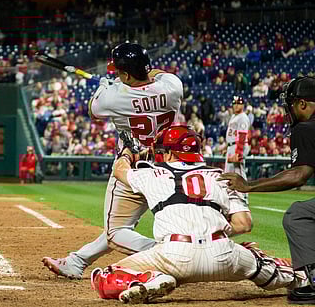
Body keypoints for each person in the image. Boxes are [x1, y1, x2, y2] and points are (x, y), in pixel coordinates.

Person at [91, 125, 309, 303]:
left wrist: (128, 152)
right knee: (261, 264)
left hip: (174, 255)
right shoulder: (223, 177)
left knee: (105, 277)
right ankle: (300, 279)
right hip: (223, 254)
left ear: (169, 152)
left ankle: (152, 277)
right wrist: (208, 233)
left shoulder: (150, 174)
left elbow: (120, 171)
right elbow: (244, 224)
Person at [42, 42, 183, 279]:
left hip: (132, 167)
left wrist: (106, 87)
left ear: (126, 74)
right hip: (169, 167)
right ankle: (77, 260)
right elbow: (155, 75)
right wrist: (121, 81)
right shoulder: (173, 87)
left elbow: (92, 109)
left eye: (119, 71)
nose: (115, 74)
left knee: (116, 232)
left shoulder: (112, 98)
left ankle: (167, 255)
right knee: (122, 226)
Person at [220, 76, 315, 305]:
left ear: (302, 104)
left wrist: (249, 185)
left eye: (291, 104)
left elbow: (299, 175)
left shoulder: (306, 127)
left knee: (298, 215)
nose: (289, 110)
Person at [224, 96, 252, 234]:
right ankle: (232, 200)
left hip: (237, 147)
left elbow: (242, 135)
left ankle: (242, 199)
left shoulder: (242, 117)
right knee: (230, 176)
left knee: (238, 174)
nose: (236, 106)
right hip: (231, 146)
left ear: (243, 105)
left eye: (238, 103)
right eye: (234, 103)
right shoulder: (234, 117)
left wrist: (238, 152)